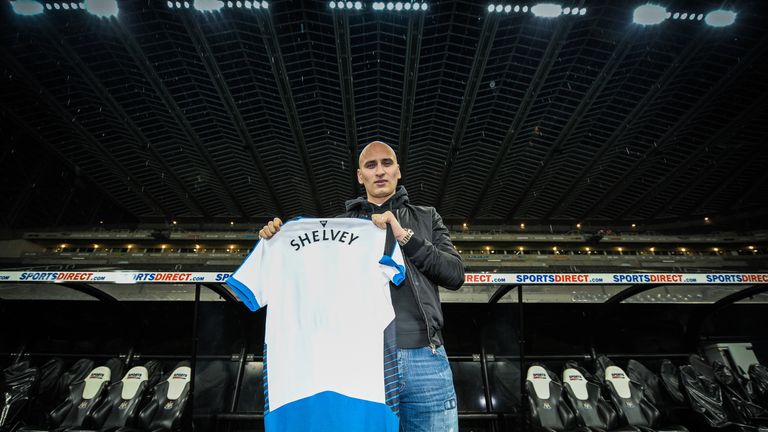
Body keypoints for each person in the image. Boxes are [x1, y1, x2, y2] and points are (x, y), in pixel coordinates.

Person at [259, 140, 465, 432]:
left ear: (398, 171)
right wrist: (279, 243)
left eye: (386, 163)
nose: (379, 171)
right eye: (371, 165)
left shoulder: (426, 217)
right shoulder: (336, 226)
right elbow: (314, 287)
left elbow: (455, 274)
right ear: (360, 176)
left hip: (426, 360)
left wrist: (404, 236)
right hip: (360, 363)